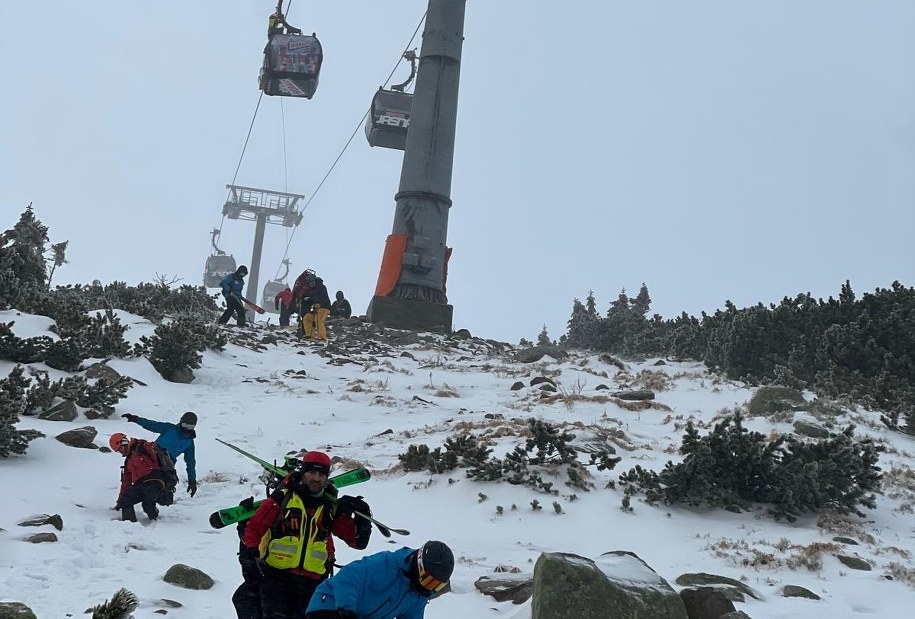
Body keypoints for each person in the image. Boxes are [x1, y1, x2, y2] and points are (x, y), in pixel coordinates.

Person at [238, 451, 373, 618]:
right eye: (311, 472)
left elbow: (357, 542)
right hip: (276, 578)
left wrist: (363, 514)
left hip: (313, 583)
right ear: (303, 473)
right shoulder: (282, 499)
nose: (316, 478)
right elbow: (255, 528)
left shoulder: (329, 508)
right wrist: (251, 551)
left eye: (321, 474)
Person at [305, 540, 455, 619]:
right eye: (429, 581)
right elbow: (349, 577)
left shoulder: (418, 596)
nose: (429, 588)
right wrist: (347, 610)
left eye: (437, 585)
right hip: (331, 604)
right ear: (419, 565)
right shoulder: (388, 564)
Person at [121, 411, 197, 503]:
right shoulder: (169, 428)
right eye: (185, 425)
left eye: (190, 427)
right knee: (142, 480)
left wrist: (192, 481)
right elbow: (151, 425)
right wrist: (136, 419)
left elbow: (190, 462)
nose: (186, 428)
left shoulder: (189, 443)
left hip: (167, 465)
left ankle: (152, 502)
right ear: (181, 422)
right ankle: (128, 499)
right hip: (151, 456)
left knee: (164, 498)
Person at [108, 432, 168, 523]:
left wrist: (153, 447)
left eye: (120, 449)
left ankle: (155, 519)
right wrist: (119, 502)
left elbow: (152, 447)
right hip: (140, 484)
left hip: (154, 480)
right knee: (125, 500)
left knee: (147, 504)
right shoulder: (128, 462)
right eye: (118, 451)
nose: (121, 452)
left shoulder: (142, 447)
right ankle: (130, 525)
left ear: (123, 443)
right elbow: (126, 483)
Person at [302, 277, 332, 341]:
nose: (311, 284)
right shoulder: (311, 290)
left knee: (319, 321)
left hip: (324, 307)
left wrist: (319, 303)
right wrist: (306, 299)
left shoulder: (321, 287)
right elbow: (312, 299)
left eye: (312, 282)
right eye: (310, 282)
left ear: (315, 281)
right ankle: (309, 335)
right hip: (316, 309)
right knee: (307, 318)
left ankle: (322, 337)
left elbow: (323, 298)